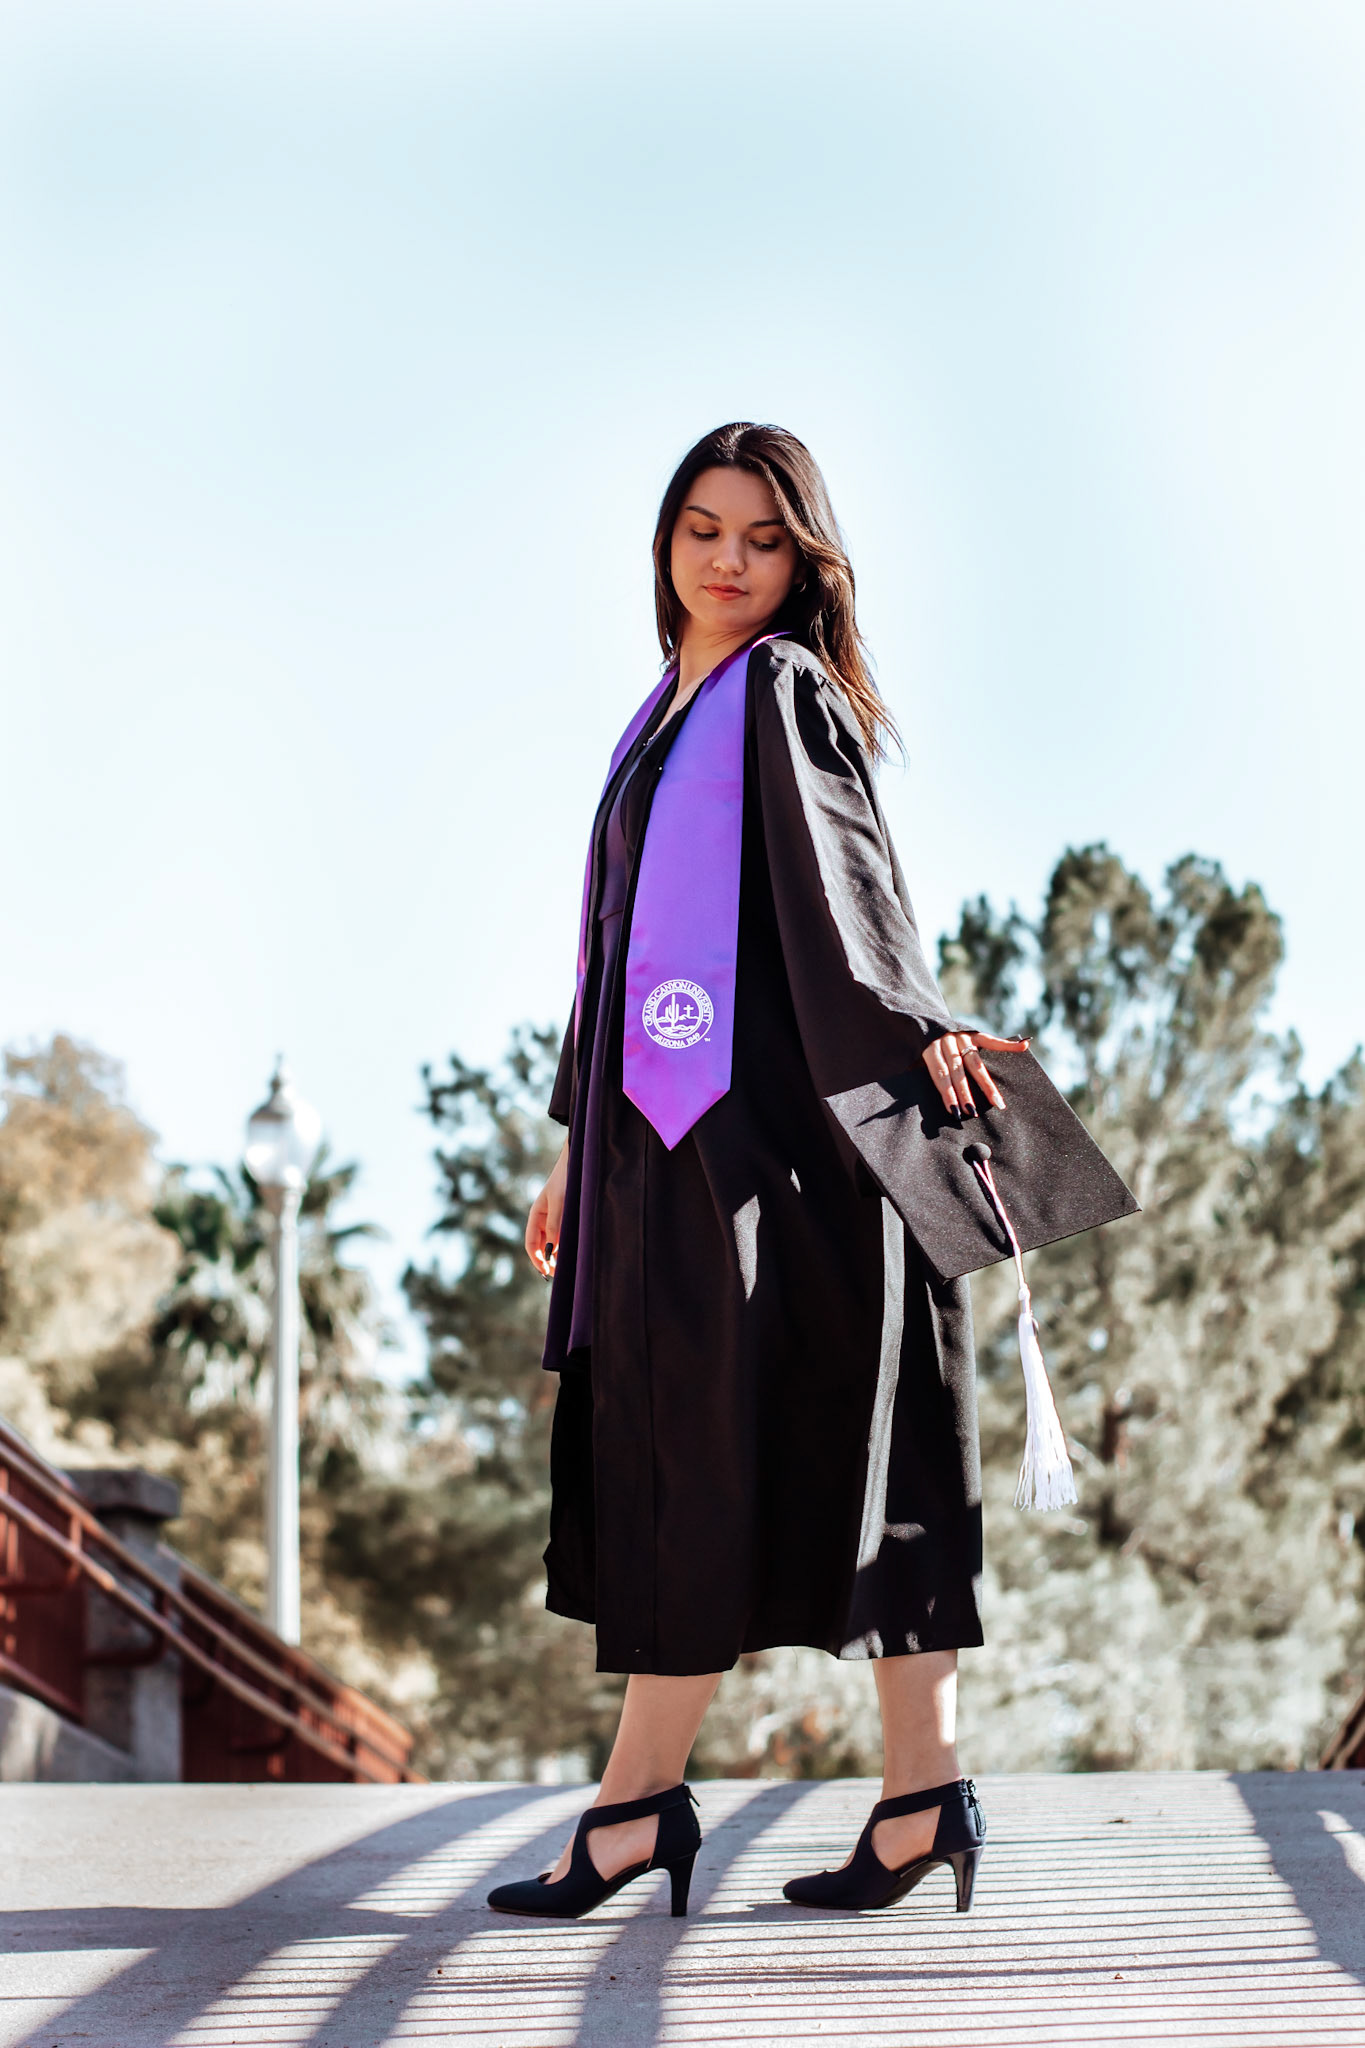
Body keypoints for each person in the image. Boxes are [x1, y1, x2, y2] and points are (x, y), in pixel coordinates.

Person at [487, 422, 1028, 1922]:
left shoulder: (779, 690)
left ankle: (650, 1811)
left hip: (766, 1162)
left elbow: (854, 891)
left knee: (789, 1455)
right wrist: (571, 1146)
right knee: (722, 1455)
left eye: (764, 538)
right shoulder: (662, 711)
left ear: (806, 559)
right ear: (665, 544)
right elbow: (612, 958)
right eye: (703, 530)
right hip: (666, 1148)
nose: (728, 561)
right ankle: (901, 1800)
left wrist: (919, 1027)